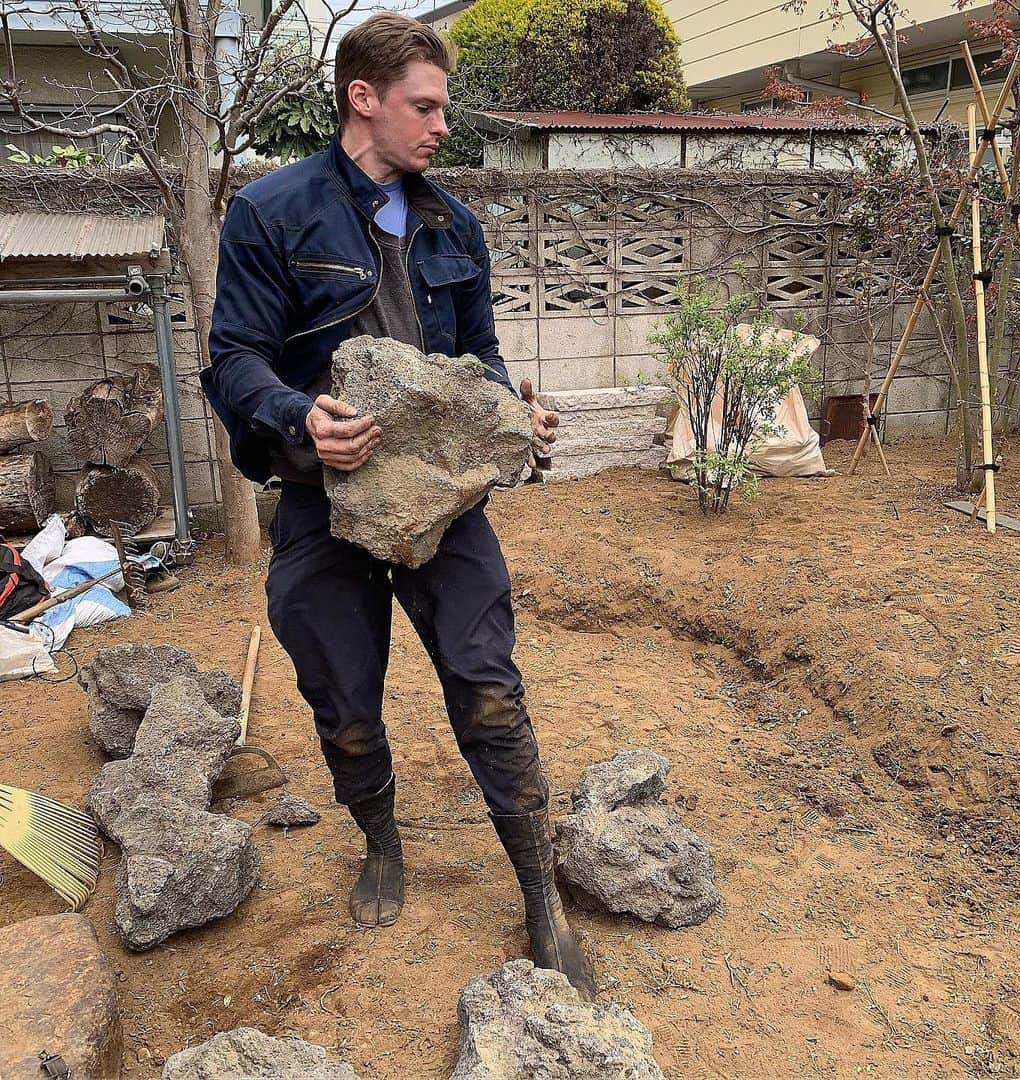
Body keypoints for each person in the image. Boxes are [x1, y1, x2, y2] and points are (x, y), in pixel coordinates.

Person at [201, 13, 595, 998]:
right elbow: (232, 361)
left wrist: (518, 411)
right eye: (425, 106)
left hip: (445, 511)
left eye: (444, 108)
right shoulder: (271, 213)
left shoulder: (454, 226)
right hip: (320, 505)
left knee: (490, 690)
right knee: (342, 707)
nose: (441, 126)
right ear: (361, 99)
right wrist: (300, 418)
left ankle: (540, 899)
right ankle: (381, 839)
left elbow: (483, 360)